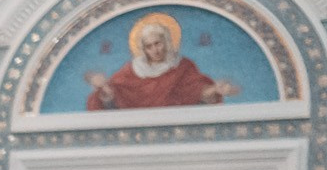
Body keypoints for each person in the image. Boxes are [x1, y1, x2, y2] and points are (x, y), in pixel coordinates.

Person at [86, 12, 236, 109]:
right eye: (149, 46)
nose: (154, 50)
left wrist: (215, 90)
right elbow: (115, 93)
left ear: (166, 42)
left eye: (158, 43)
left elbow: (195, 92)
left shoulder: (182, 66)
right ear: (143, 49)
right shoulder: (132, 70)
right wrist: (103, 87)